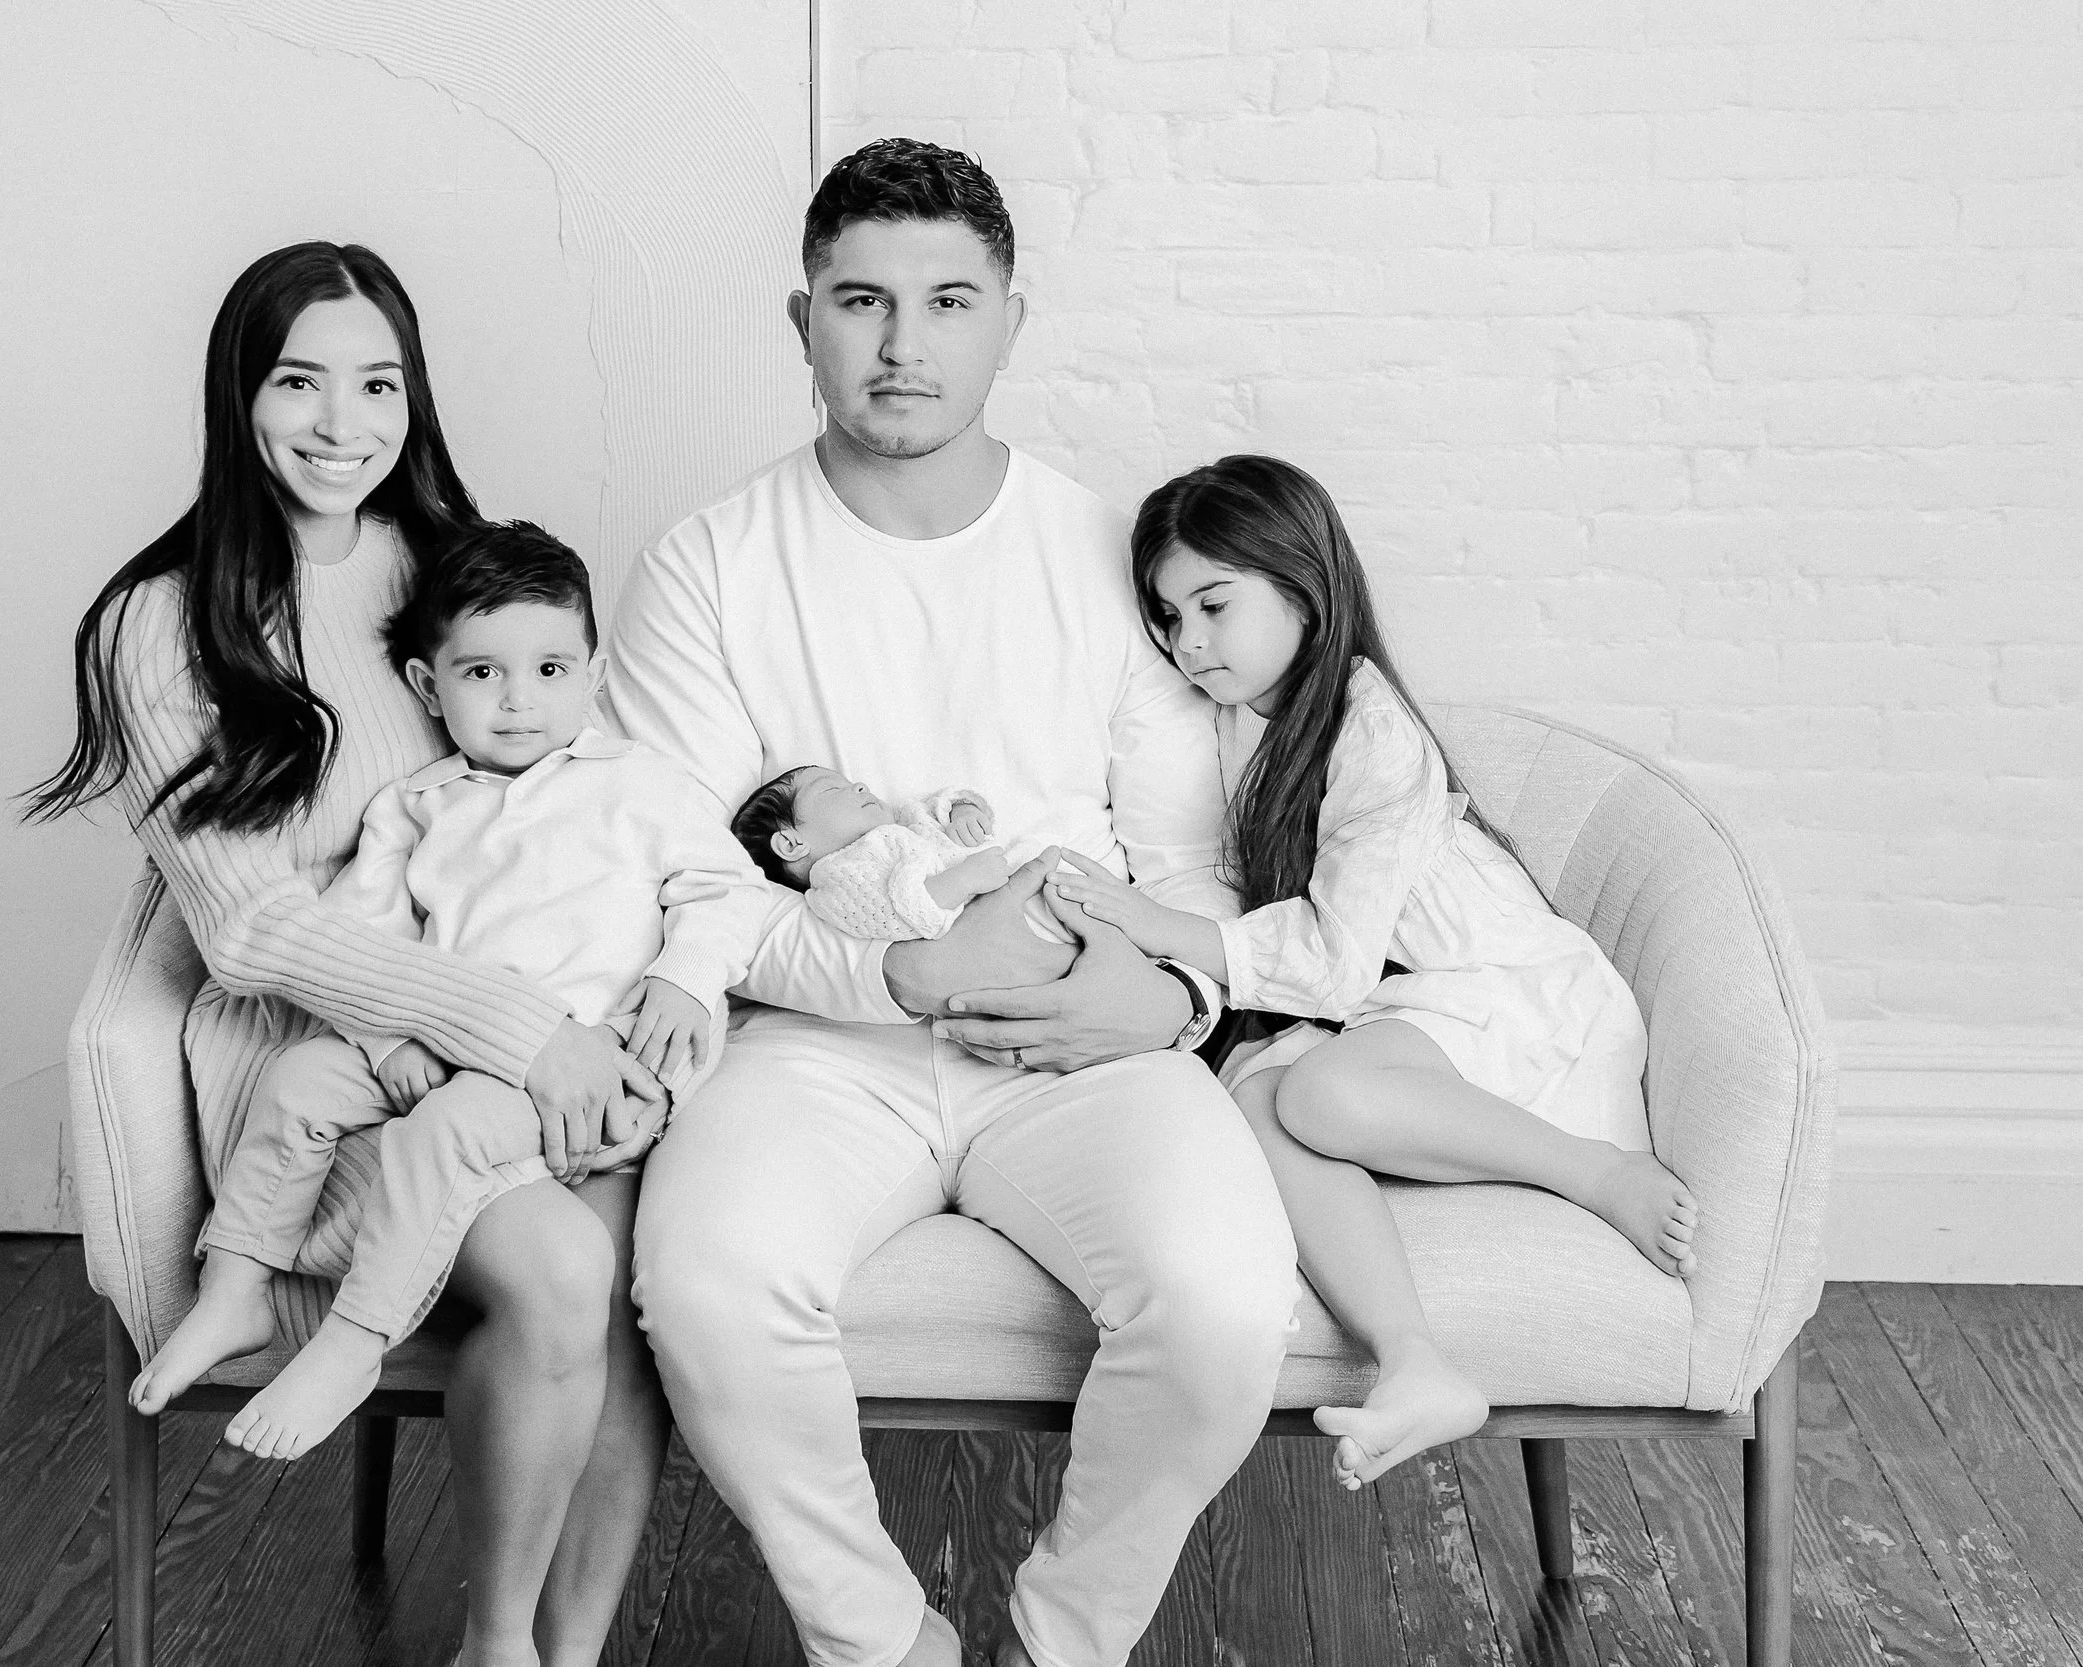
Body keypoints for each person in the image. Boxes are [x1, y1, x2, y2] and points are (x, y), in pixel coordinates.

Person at [605, 140, 1300, 1667]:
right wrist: (905, 972)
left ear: (1010, 320)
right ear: (802, 326)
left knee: (1227, 1304)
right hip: (808, 1038)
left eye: (946, 301)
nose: (903, 344)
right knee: (709, 1283)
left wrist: (1176, 999)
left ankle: (1066, 1639)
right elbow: (683, 881)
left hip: (1082, 1029)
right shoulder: (708, 566)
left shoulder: (1107, 551)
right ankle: (882, 1643)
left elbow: (1186, 860)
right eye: (861, 300)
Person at [26, 243, 671, 1667]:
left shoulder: (444, 565)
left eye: (377, 383)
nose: (342, 423)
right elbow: (250, 922)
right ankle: (496, 1639)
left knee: (631, 1271)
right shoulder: (158, 622)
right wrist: (516, 1023)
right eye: (299, 382)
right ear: (237, 396)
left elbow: (564, 791)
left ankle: (550, 1644)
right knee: (564, 1266)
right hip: (311, 1059)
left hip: (497, 1019)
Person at [1045, 452, 1695, 1491]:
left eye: (1213, 603)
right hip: (1413, 1011)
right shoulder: (1249, 721)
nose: (1188, 642)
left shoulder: (1370, 728)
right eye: (1167, 617)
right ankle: (1415, 1360)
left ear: (1302, 586)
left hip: (1511, 999)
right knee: (1252, 1100)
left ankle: (1595, 1169)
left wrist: (1159, 928)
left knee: (1320, 1088)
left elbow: (1335, 962)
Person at [132, 519, 775, 1470]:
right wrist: (389, 1045)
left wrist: (685, 974)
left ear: (593, 676)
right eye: (483, 674)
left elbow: (729, 890)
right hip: (436, 1043)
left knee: (442, 1134)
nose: (521, 701)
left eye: (553, 670)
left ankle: (356, 1338)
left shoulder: (639, 785)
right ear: (430, 687)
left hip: (569, 1066)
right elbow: (360, 944)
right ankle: (236, 1284)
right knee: (302, 1077)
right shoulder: (416, 804)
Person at [731, 768, 1017, 941]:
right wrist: (965, 879)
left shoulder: (899, 820)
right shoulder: (836, 880)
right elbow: (901, 911)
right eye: (832, 789)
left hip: (1007, 873)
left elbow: (935, 805)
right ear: (792, 844)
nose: (860, 785)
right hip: (991, 912)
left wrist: (962, 810)